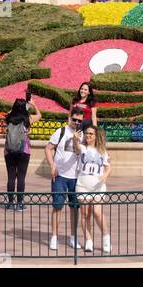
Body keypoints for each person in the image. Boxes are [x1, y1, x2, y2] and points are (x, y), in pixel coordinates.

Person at [45, 107, 85, 251]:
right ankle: (54, 236)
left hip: (75, 177)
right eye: (74, 119)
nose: (76, 122)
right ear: (70, 117)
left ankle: (73, 237)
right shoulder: (60, 131)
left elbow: (81, 152)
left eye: (79, 120)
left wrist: (76, 140)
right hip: (60, 175)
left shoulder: (83, 135)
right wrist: (52, 165)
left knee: (75, 208)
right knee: (57, 206)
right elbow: (48, 148)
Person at [76, 124, 112, 253]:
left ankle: (106, 237)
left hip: (97, 185)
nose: (88, 136)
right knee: (85, 214)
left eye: (91, 134)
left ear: (96, 136)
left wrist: (105, 176)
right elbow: (76, 147)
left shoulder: (102, 151)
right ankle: (88, 240)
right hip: (83, 184)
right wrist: (75, 139)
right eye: (86, 133)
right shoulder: (82, 147)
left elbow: (108, 167)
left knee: (97, 212)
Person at [3, 94, 41, 210]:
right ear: (24, 108)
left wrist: (15, 109)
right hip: (24, 151)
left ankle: (10, 203)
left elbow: (10, 112)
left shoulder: (9, 118)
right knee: (21, 177)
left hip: (9, 151)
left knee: (10, 177)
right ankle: (19, 204)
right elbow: (40, 115)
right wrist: (33, 105)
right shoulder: (28, 119)